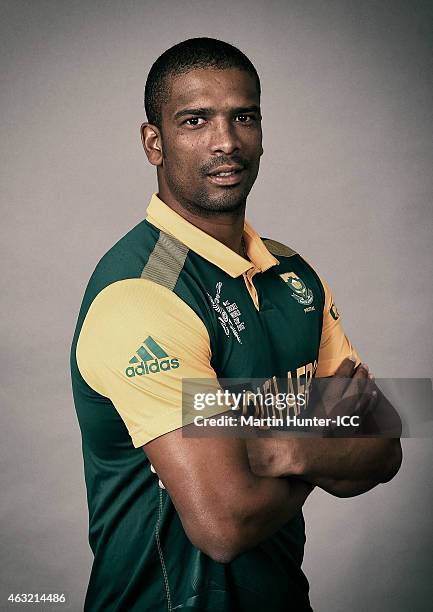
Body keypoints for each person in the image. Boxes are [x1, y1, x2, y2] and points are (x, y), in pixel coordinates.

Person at [70, 37, 402, 611]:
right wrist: (319, 429)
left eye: (243, 116)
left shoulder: (294, 275)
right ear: (155, 142)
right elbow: (223, 523)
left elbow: (384, 449)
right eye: (195, 120)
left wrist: (283, 448)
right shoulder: (142, 294)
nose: (225, 142)